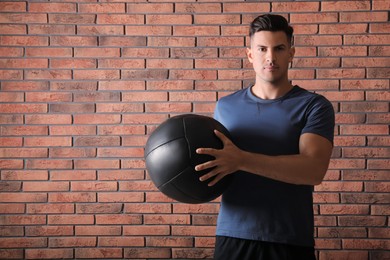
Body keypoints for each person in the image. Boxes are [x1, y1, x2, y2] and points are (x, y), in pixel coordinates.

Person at [195, 14, 335, 260]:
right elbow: (214, 165)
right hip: (233, 235)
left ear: (291, 53)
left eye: (279, 48)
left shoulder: (314, 106)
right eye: (262, 49)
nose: (270, 57)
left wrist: (241, 160)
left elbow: (314, 169)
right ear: (250, 55)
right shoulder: (225, 107)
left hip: (290, 238)